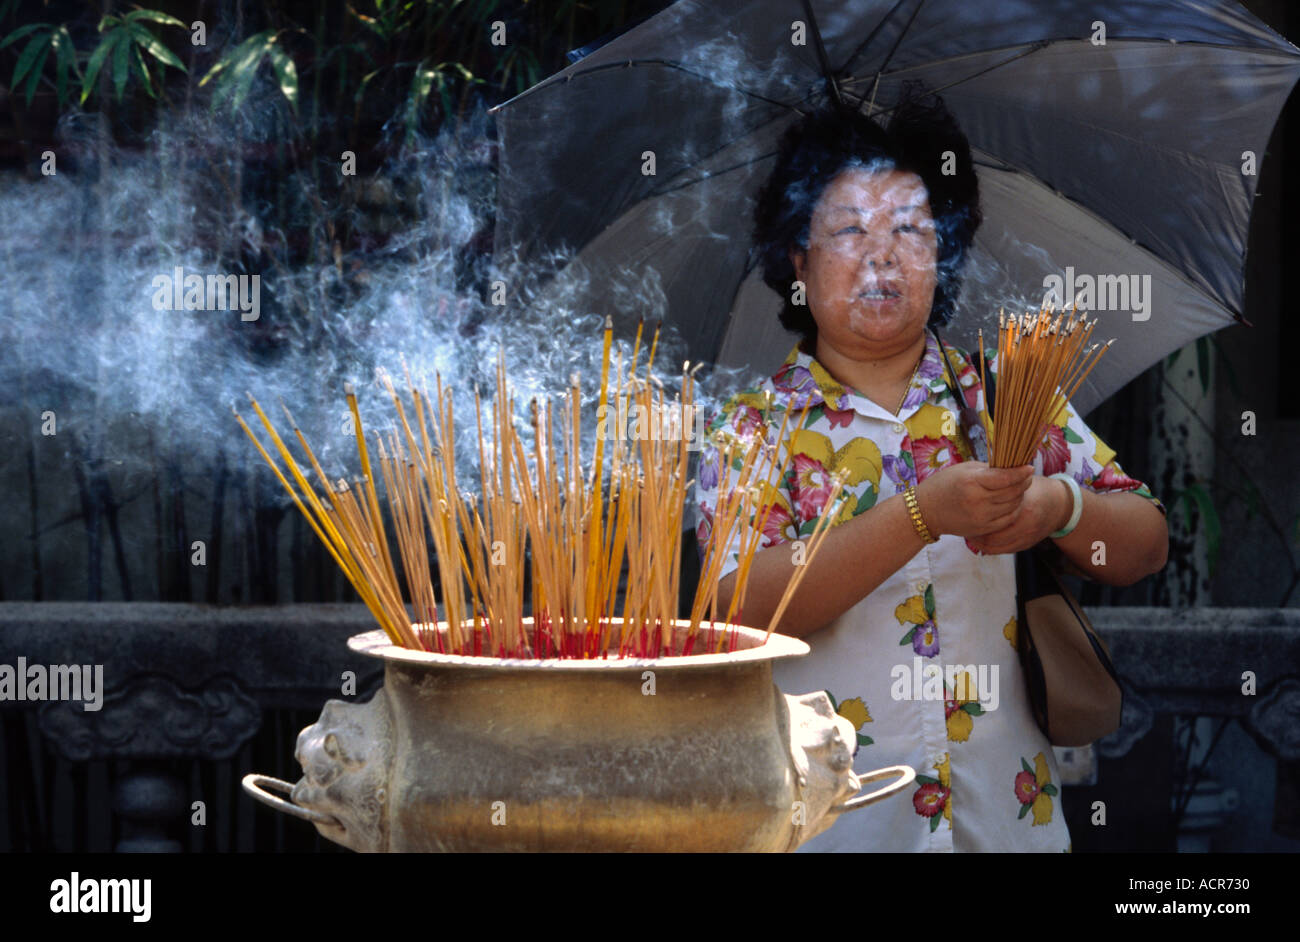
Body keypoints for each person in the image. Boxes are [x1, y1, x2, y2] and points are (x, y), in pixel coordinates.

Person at [692, 92, 1169, 852]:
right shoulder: (753, 426)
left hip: (1008, 821)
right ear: (798, 257)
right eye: (848, 229)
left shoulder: (1003, 392)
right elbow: (737, 609)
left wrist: (1059, 507)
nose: (880, 257)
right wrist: (921, 514)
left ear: (942, 249)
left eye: (910, 228)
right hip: (832, 828)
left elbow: (1145, 544)